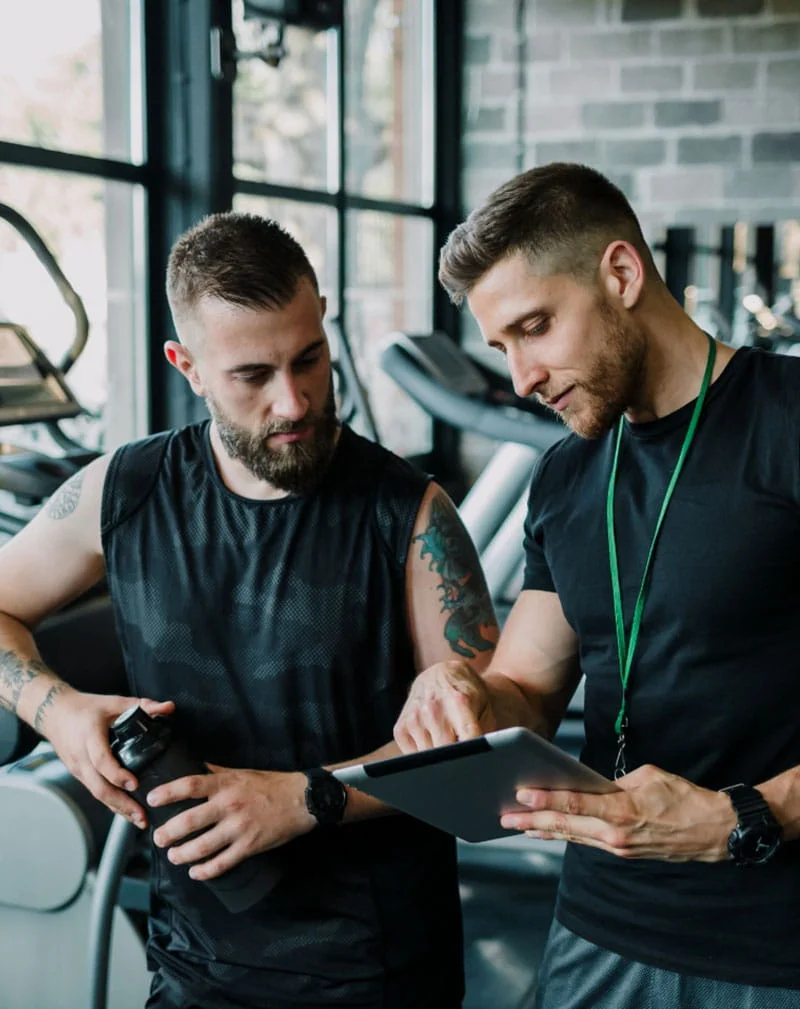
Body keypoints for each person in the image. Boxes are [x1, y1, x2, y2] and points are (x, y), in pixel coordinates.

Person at [0, 211, 499, 1009]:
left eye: (309, 358)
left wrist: (304, 798)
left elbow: (483, 758)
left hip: (375, 970)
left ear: (326, 322)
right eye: (252, 375)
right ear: (187, 365)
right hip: (195, 965)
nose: (294, 400)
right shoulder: (122, 491)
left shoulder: (411, 516)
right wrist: (56, 710)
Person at [393, 162, 800, 1007]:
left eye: (535, 327)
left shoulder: (789, 423)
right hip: (596, 926)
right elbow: (526, 690)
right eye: (502, 346)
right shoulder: (566, 476)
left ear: (620, 273)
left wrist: (740, 817)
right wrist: (461, 692)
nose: (522, 379)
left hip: (770, 944)